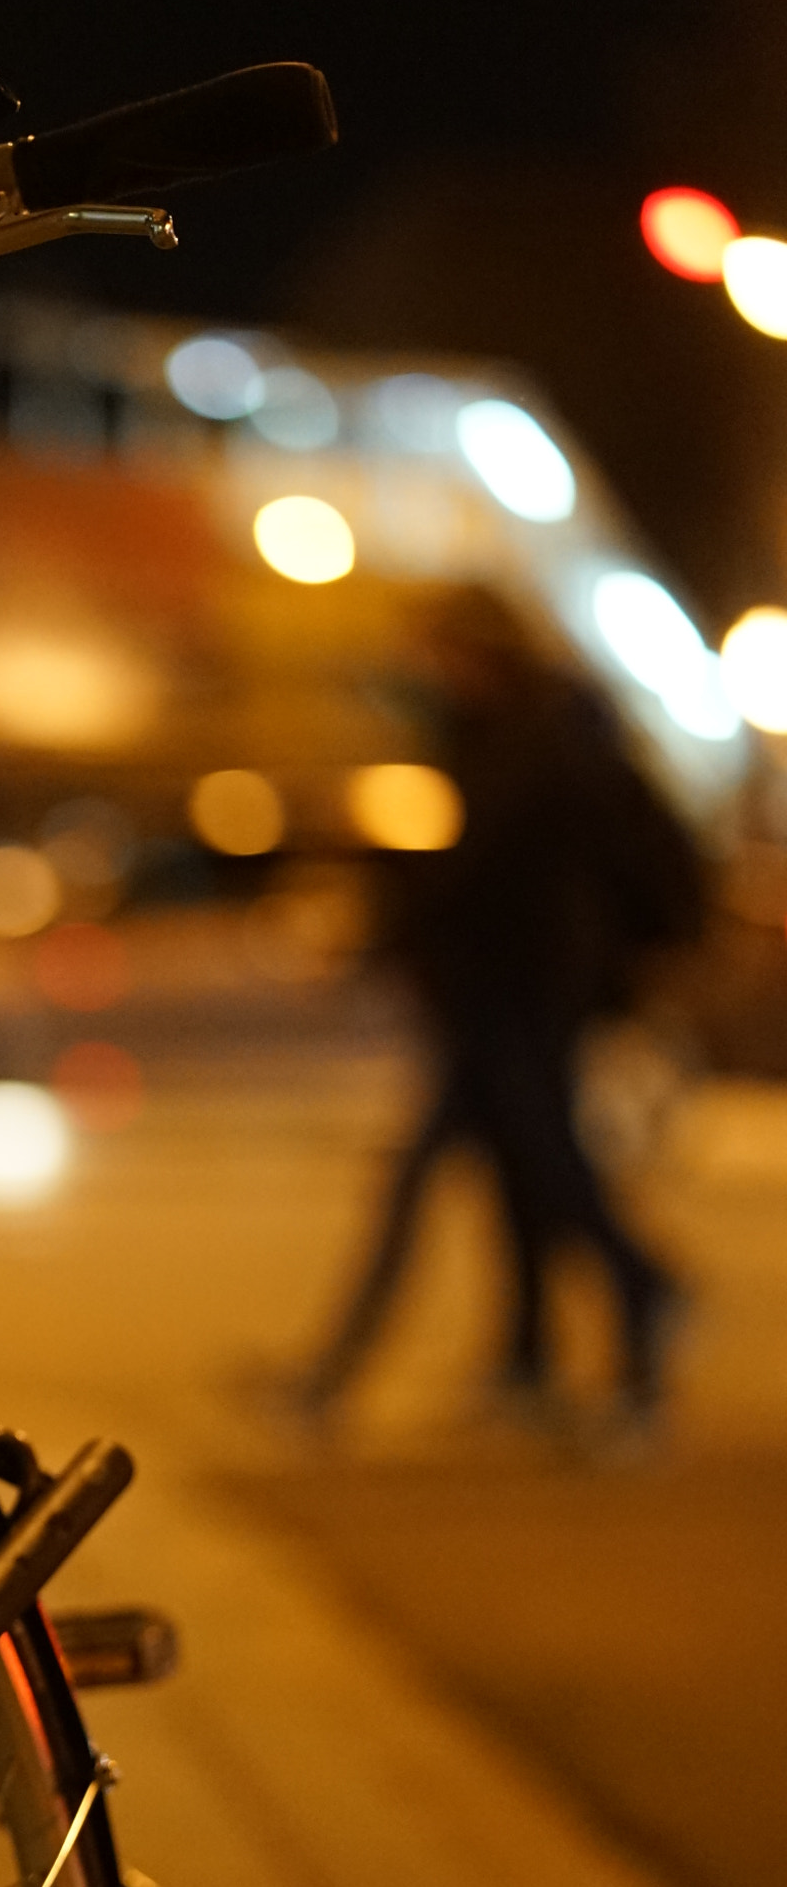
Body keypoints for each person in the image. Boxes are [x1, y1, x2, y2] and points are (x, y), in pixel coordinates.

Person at [301, 583, 704, 1433]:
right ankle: (529, 1356)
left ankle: (637, 1289)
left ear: (475, 651)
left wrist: (383, 929)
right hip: (500, 990)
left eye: (438, 653)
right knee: (523, 1176)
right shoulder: (511, 731)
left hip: (525, 989)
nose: (427, 671)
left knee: (523, 1173)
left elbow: (481, 863)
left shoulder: (537, 738)